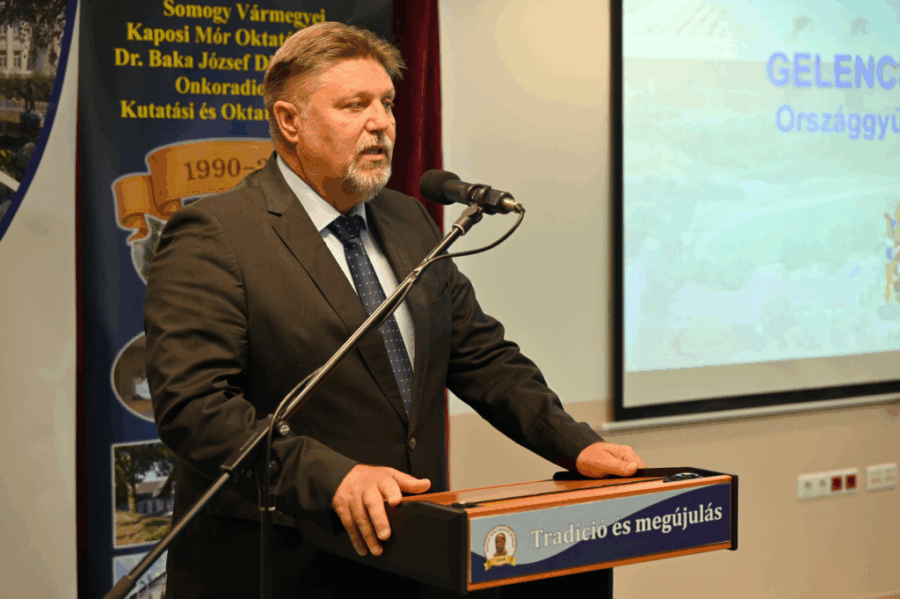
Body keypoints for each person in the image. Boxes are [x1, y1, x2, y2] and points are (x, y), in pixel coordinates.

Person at [144, 21, 645, 599]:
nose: (380, 122)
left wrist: (574, 443)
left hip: (413, 550)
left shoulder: (408, 220)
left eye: (386, 103)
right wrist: (334, 479)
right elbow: (195, 406)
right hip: (278, 562)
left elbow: (482, 358)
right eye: (354, 105)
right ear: (289, 121)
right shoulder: (217, 234)